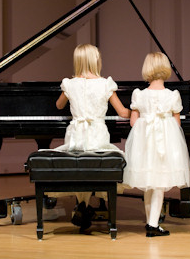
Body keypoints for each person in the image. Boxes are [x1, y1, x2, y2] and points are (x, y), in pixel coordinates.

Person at [51, 43, 131, 231]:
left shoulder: (69, 84)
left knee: (79, 164)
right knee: (98, 160)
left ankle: (82, 205)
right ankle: (88, 206)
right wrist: (140, 110)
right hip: (97, 136)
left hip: (76, 135)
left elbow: (59, 106)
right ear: (96, 61)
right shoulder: (105, 84)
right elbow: (122, 112)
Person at [123, 52, 190, 237]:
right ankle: (153, 226)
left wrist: (148, 122)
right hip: (165, 143)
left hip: (145, 143)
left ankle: (151, 222)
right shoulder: (172, 95)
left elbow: (133, 122)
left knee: (149, 182)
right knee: (160, 183)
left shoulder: (139, 94)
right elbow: (177, 124)